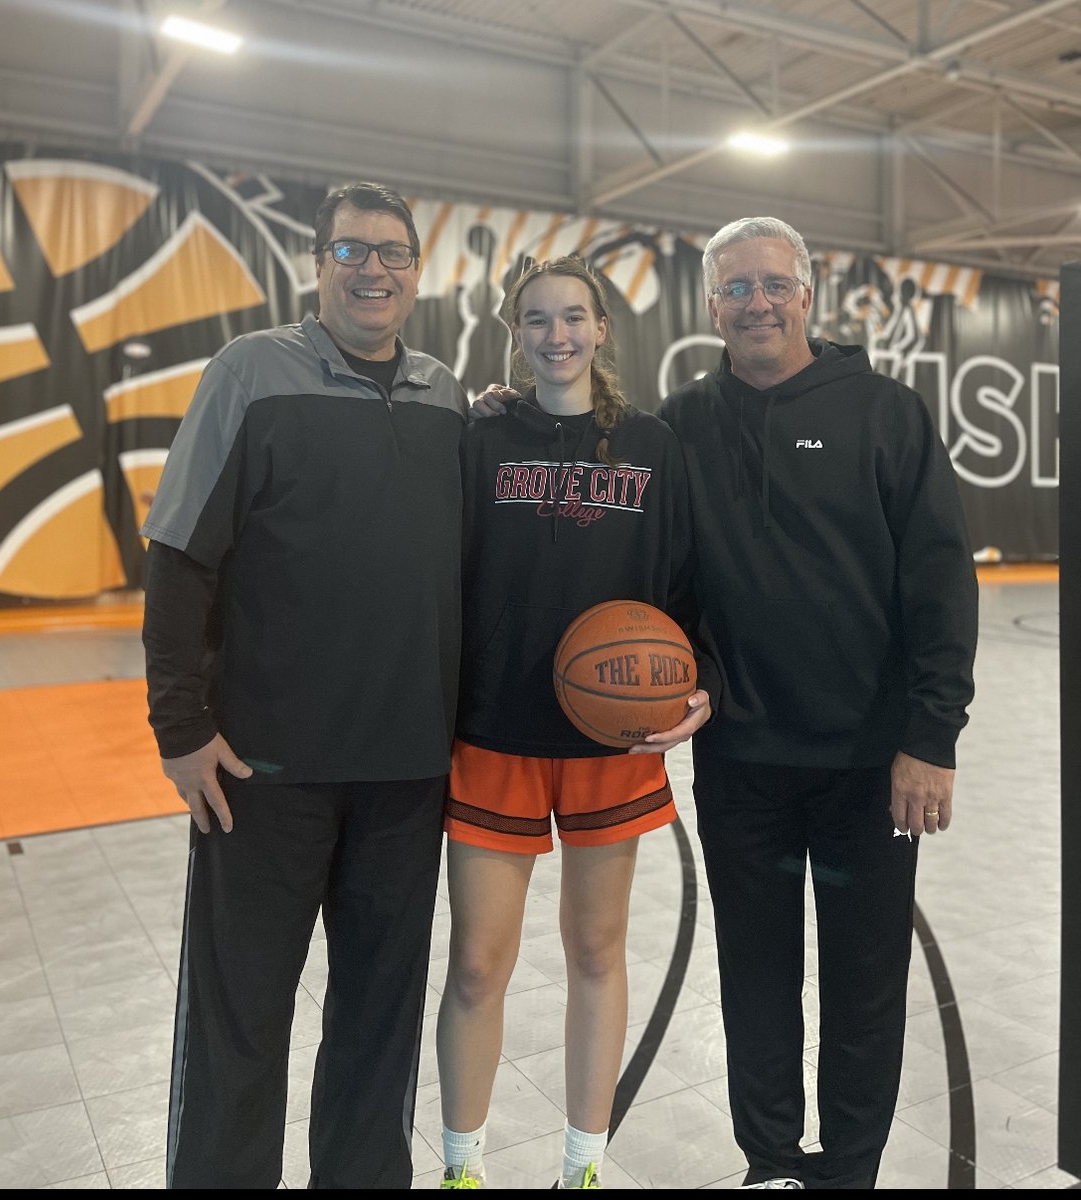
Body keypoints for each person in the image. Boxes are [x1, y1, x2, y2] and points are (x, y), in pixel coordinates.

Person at [474, 216, 978, 1190]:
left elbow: (940, 580)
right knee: (756, 980)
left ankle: (852, 1169)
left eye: (772, 284)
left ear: (806, 295)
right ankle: (773, 1164)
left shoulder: (886, 412)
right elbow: (661, 569)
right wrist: (510, 406)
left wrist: (932, 735)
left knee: (864, 985)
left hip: (870, 764)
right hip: (741, 758)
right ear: (712, 307)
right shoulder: (682, 424)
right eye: (736, 288)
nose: (756, 302)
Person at [140, 181, 468, 1189]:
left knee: (379, 1023)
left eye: (393, 253)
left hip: (407, 775)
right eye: (351, 251)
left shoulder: (446, 395)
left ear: (419, 272)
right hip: (263, 774)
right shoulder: (250, 372)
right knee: (241, 1018)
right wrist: (180, 727)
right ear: (317, 264)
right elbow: (178, 553)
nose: (373, 269)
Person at [436, 257, 721, 1190]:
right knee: (478, 966)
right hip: (493, 734)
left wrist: (700, 680)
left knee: (596, 953)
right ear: (513, 334)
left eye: (572, 318)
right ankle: (462, 1168)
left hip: (612, 739)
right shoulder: (479, 436)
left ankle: (583, 1165)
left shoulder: (651, 444)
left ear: (602, 329)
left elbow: (685, 583)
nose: (555, 335)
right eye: (535, 320)